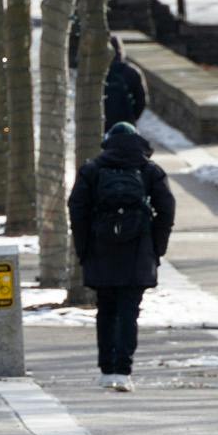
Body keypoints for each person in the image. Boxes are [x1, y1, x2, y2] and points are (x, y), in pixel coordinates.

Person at [67, 122, 177, 392]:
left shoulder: (92, 170)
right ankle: (123, 370)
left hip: (101, 249)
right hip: (138, 249)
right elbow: (166, 209)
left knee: (105, 310)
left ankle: (106, 370)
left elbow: (77, 210)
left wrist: (84, 248)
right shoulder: (150, 170)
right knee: (129, 312)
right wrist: (156, 247)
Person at [102, 34, 148, 135]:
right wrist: (132, 117)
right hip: (127, 124)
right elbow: (142, 101)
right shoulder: (132, 72)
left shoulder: (98, 73)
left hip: (103, 124)